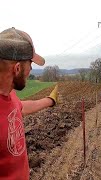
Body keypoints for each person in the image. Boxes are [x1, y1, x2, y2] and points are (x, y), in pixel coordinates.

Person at [0, 27, 58, 180]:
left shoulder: (8, 93)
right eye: (30, 64)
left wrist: (49, 101)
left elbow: (20, 107)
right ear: (17, 68)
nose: (31, 70)